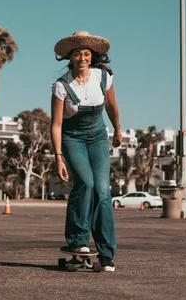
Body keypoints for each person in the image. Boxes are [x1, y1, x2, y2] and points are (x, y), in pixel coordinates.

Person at [50, 30, 122, 272]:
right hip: (72, 139)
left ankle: (106, 252)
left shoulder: (103, 77)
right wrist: (58, 157)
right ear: (71, 58)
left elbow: (111, 106)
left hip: (99, 137)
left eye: (86, 53)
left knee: (102, 191)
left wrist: (118, 130)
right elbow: (57, 125)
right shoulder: (61, 86)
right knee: (86, 183)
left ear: (92, 57)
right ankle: (78, 241)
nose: (82, 57)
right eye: (77, 54)